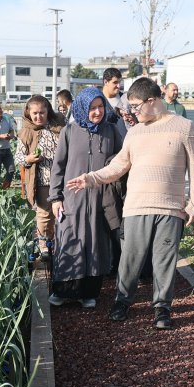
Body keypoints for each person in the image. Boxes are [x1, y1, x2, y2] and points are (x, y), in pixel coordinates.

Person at [65, 76, 194, 330]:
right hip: (136, 206)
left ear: (152, 101)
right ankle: (122, 301)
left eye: (136, 106)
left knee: (164, 259)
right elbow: (118, 166)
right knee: (130, 257)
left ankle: (162, 307)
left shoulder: (185, 127)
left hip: (171, 207)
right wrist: (90, 178)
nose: (132, 112)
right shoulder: (135, 132)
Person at [49, 87, 124, 309]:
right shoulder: (69, 132)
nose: (97, 112)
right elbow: (58, 167)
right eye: (92, 108)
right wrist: (56, 198)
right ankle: (63, 291)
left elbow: (121, 160)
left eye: (100, 107)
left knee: (96, 244)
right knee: (70, 241)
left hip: (101, 199)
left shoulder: (111, 131)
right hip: (73, 199)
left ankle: (89, 293)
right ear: (82, 108)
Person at [15, 95, 65, 259]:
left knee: (62, 213)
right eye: (35, 113)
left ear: (48, 111)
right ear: (29, 113)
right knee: (44, 214)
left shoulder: (59, 127)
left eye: (42, 113)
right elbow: (18, 157)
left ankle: (61, 243)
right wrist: (28, 159)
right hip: (42, 181)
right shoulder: (26, 132)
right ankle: (44, 245)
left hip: (62, 179)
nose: (38, 117)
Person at [101, 67, 137, 137]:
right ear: (106, 82)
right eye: (115, 82)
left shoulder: (126, 98)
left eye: (119, 82)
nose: (118, 86)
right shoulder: (98, 100)